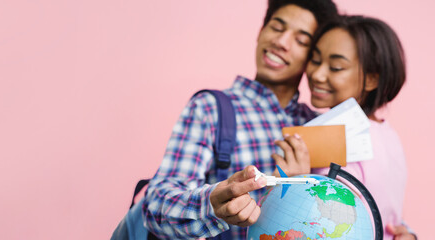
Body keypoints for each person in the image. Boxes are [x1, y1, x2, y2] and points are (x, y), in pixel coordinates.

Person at [141, 1, 339, 239]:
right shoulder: (210, 108)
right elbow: (154, 204)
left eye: (301, 40)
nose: (281, 42)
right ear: (261, 32)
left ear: (314, 57)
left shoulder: (320, 126)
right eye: (277, 27)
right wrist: (212, 203)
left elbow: (337, 220)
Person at [277, 15, 417, 239]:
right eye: (315, 60)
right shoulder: (389, 134)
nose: (317, 75)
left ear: (372, 79)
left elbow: (325, 228)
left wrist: (296, 186)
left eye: (336, 67)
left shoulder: (335, 138)